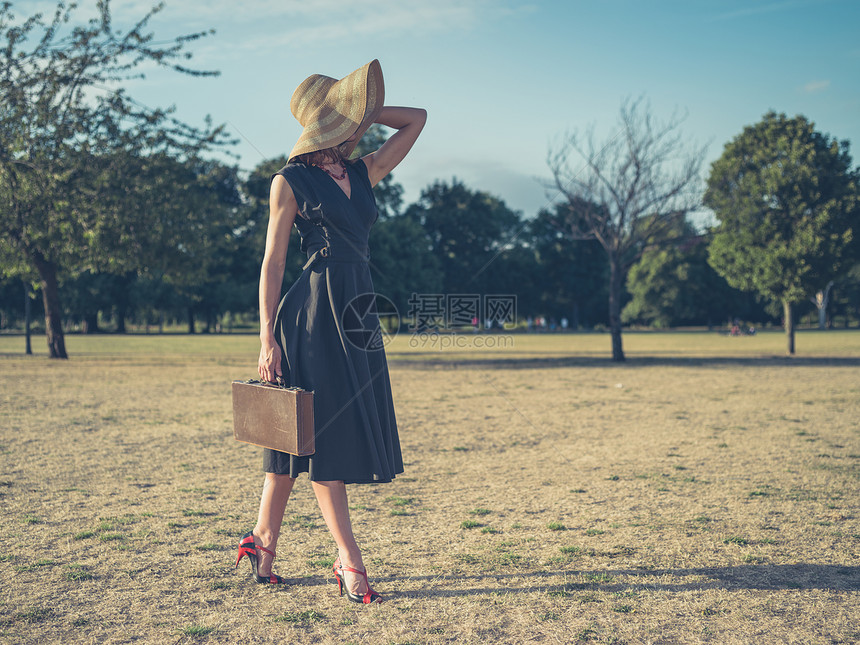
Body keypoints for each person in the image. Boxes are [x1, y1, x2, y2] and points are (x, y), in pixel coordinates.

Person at [235, 59, 426, 604]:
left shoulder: (364, 171)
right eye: (343, 118)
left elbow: (417, 120)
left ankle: (262, 542)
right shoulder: (288, 181)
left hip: (357, 312)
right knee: (324, 442)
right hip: (312, 315)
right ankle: (350, 563)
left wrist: (365, 114)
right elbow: (272, 265)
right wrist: (266, 337)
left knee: (299, 439)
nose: (352, 129)